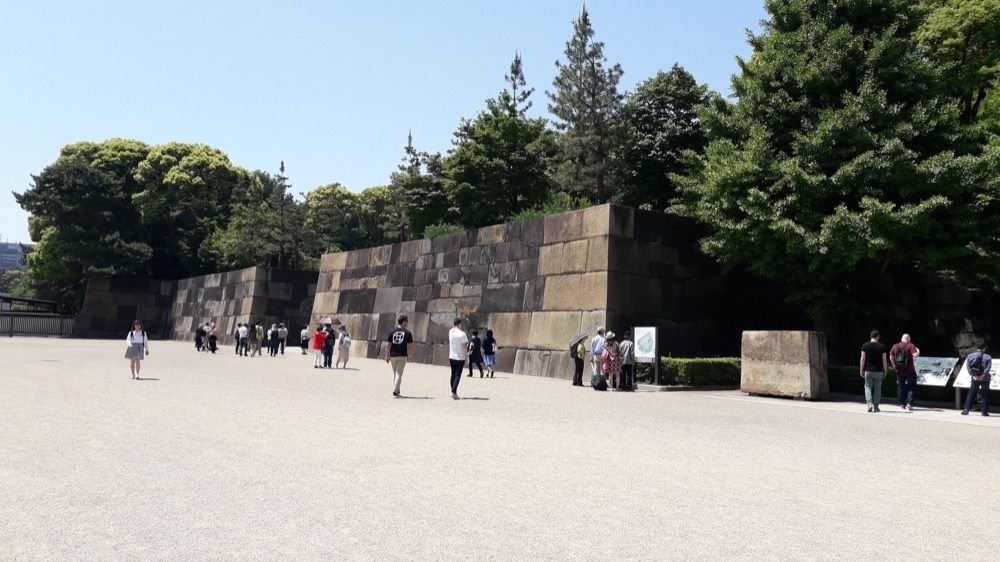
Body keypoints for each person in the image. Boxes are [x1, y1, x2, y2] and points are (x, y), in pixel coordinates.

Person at [384, 315, 414, 397]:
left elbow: (388, 344)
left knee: (396, 373)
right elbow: (411, 345)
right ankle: (395, 390)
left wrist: (387, 355)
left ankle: (397, 390)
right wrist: (410, 355)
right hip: (402, 355)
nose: (407, 323)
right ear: (403, 322)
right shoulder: (408, 333)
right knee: (399, 374)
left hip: (393, 355)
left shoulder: (392, 332)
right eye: (407, 321)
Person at [889, 333, 920, 411]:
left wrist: (894, 366)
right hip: (910, 370)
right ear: (908, 339)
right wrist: (918, 351)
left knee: (901, 387)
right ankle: (909, 403)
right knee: (912, 386)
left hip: (899, 370)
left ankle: (901, 404)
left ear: (901, 338)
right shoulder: (910, 345)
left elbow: (891, 357)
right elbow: (915, 355)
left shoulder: (895, 346)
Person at [860, 330, 888, 413]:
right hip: (879, 371)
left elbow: (863, 358)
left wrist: (861, 369)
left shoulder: (865, 346)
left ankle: (869, 404)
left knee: (867, 387)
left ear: (870, 336)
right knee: (878, 389)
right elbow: (884, 360)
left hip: (868, 370)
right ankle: (876, 407)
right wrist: (885, 370)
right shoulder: (882, 347)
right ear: (877, 336)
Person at [962, 344, 992, 416]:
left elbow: (968, 367)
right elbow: (988, 368)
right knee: (985, 394)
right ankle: (984, 412)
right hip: (985, 378)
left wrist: (974, 375)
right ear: (984, 349)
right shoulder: (988, 357)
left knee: (971, 394)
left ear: (977, 348)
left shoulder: (970, 356)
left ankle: (966, 410)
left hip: (975, 378)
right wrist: (983, 375)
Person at [448, 318, 469, 399]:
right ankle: (453, 391)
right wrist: (466, 356)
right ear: (459, 324)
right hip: (460, 357)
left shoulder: (450, 332)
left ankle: (453, 389)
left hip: (452, 356)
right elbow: (464, 347)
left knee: (453, 374)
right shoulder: (462, 334)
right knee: (458, 375)